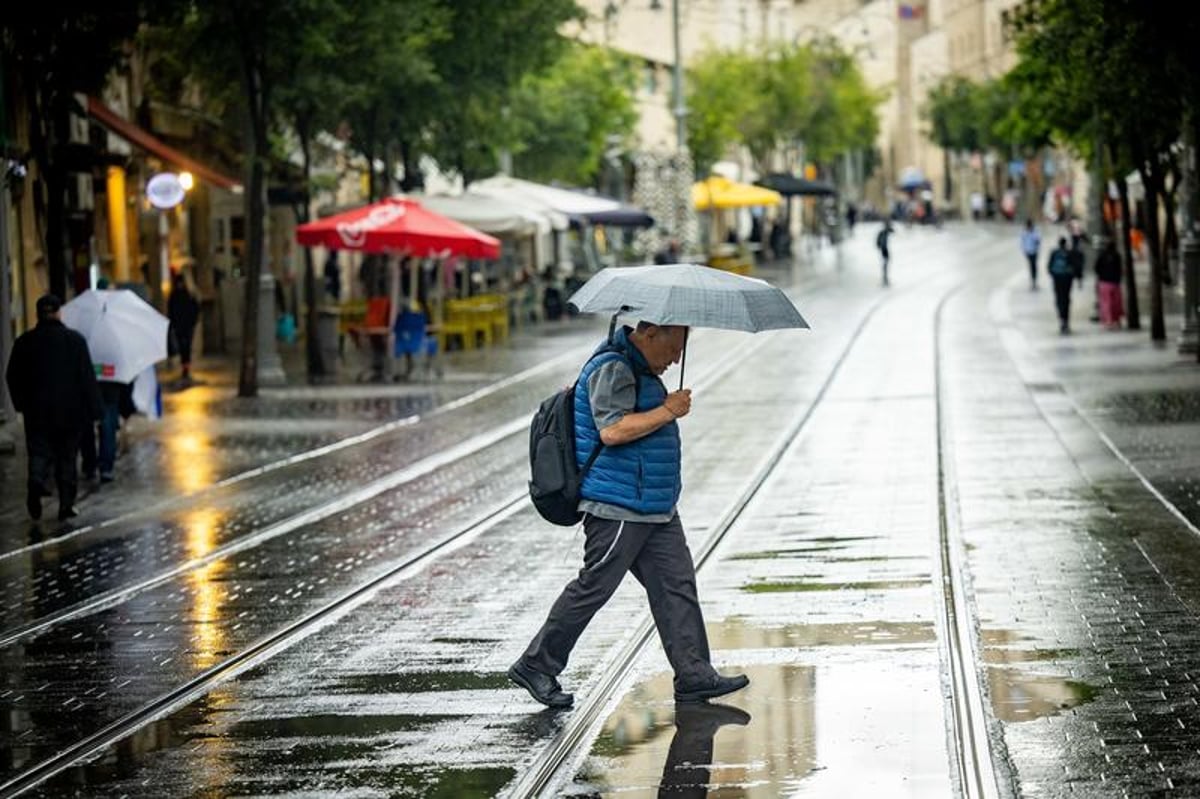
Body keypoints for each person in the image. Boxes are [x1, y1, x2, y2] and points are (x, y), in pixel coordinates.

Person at [509, 321, 749, 709]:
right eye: (675, 346)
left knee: (677, 585)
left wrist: (663, 406)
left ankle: (694, 673)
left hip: (653, 505)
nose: (677, 358)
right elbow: (613, 430)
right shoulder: (614, 367)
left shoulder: (639, 369)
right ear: (651, 332)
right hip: (618, 504)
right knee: (595, 585)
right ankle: (536, 663)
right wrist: (668, 409)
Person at [6, 294, 102, 521]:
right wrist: (95, 410)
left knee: (39, 450)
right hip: (70, 412)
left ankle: (36, 480)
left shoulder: (24, 342)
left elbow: (11, 376)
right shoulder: (75, 341)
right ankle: (66, 505)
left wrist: (21, 403)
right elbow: (86, 378)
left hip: (36, 411)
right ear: (59, 313)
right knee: (66, 457)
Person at [167, 271, 200, 381]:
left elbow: (195, 308)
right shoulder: (180, 295)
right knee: (183, 347)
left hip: (185, 325)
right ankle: (185, 367)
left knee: (186, 347)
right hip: (181, 325)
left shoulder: (184, 295)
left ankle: (186, 367)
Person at [1094, 239, 1124, 329]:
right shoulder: (1117, 256)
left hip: (1104, 282)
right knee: (1116, 302)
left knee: (1105, 302)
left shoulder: (1101, 255)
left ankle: (1108, 320)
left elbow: (1096, 268)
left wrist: (1101, 275)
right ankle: (1116, 320)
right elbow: (1120, 269)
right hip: (1115, 282)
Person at [1047, 237, 1075, 333]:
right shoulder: (1069, 253)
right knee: (1066, 298)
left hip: (1057, 279)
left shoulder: (1054, 252)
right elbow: (1073, 267)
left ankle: (1062, 319)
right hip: (1067, 279)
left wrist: (1054, 275)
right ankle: (1066, 320)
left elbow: (1049, 267)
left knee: (1059, 299)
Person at [1020, 218, 1042, 289]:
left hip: (1034, 252)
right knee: (1031, 266)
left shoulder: (1035, 231)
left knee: (1034, 266)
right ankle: (1033, 281)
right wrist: (1024, 250)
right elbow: (1022, 242)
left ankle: (1034, 281)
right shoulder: (1024, 232)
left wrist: (1036, 246)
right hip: (1028, 252)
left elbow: (1038, 241)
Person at [876, 221, 893, 286]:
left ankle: (885, 277)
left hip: (884, 249)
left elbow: (892, 231)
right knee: (885, 263)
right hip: (884, 250)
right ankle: (885, 277)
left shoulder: (883, 232)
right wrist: (879, 246)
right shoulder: (883, 232)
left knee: (885, 263)